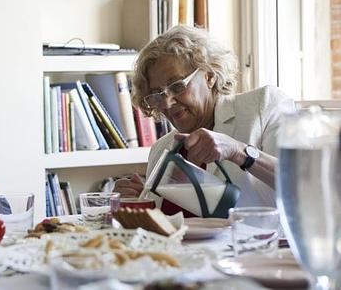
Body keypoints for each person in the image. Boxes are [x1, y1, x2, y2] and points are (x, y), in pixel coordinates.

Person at [114, 25, 295, 210]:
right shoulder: (161, 149)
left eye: (177, 86)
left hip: (256, 239)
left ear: (209, 76)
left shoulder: (262, 106)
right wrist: (143, 203)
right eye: (157, 95)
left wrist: (238, 151)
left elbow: (301, 185)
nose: (167, 103)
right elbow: (172, 225)